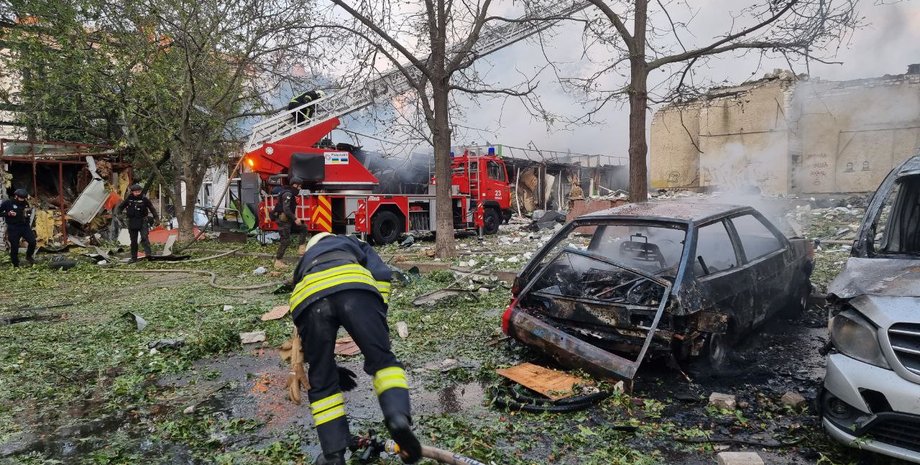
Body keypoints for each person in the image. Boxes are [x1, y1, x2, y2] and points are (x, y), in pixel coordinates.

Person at [290, 232, 421, 465]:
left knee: (321, 381)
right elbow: (381, 273)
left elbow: (302, 322)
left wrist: (326, 364)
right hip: (356, 289)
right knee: (383, 363)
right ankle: (397, 418)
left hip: (309, 301)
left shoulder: (305, 259)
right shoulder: (352, 242)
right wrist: (376, 317)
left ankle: (333, 455)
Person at [117, 184, 159, 262]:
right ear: (132, 192)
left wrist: (156, 219)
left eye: (139, 191)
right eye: (135, 192)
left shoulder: (144, 199)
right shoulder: (129, 199)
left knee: (144, 238)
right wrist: (119, 216)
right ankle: (134, 257)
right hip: (132, 221)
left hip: (143, 221)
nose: (137, 193)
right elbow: (120, 208)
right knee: (133, 241)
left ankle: (148, 255)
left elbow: (152, 209)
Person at [272, 177, 307, 268]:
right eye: (299, 187)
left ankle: (301, 248)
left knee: (303, 227)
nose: (299, 189)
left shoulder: (289, 193)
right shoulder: (287, 194)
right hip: (283, 221)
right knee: (285, 241)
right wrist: (295, 219)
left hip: (288, 221)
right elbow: (286, 209)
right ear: (294, 185)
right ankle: (278, 261)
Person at [0, 189, 36, 267]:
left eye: (24, 198)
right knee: (14, 246)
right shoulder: (8, 203)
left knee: (32, 242)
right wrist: (8, 213)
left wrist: (27, 215)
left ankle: (28, 256)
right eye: (21, 198)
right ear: (16, 196)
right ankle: (15, 263)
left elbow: (27, 214)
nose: (22, 200)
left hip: (24, 226)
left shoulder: (25, 203)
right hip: (13, 227)